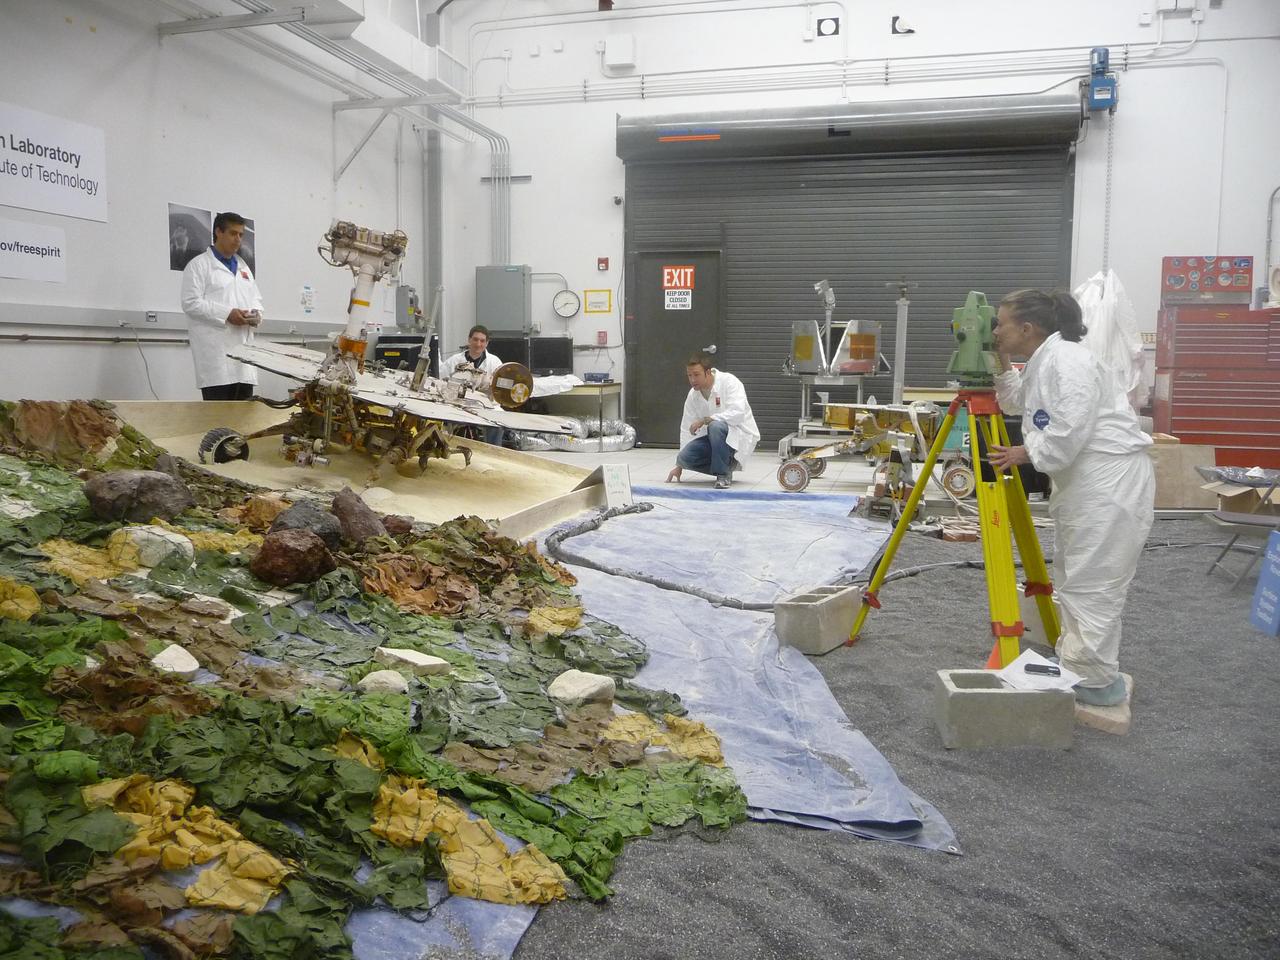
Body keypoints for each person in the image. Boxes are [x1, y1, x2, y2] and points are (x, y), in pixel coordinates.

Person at [989, 288, 1154, 707]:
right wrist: (1000, 362)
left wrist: (1026, 452)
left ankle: (1095, 681)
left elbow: (1070, 427)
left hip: (1107, 484)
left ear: (1027, 328)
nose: (995, 329)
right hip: (1088, 483)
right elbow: (1014, 399)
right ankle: (1083, 666)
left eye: (1001, 323)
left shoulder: (1069, 360)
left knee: (1092, 583)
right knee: (1078, 577)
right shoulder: (1047, 360)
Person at [180, 211, 262, 400]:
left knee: (244, 423)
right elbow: (190, 303)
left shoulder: (244, 268)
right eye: (233, 234)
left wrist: (256, 315)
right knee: (218, 423)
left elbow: (256, 300)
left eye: (241, 235)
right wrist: (227, 313)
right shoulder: (198, 265)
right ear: (218, 232)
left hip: (244, 361)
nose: (238, 239)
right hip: (216, 361)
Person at [665, 354, 759, 490]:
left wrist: (705, 420)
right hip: (714, 441)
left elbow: (738, 414)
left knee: (715, 426)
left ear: (708, 372)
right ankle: (726, 465)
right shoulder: (693, 395)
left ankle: (723, 475)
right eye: (689, 376)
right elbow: (686, 428)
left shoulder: (729, 382)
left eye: (696, 375)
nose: (692, 380)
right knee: (684, 457)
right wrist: (679, 466)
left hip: (739, 436)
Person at [442, 325, 505, 445]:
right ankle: (451, 445)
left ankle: (493, 450)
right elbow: (440, 379)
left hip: (487, 405)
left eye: (482, 341)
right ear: (469, 340)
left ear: (487, 343)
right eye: (475, 339)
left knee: (499, 420)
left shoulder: (494, 362)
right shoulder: (454, 361)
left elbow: (501, 387)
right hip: (458, 403)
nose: (478, 344)